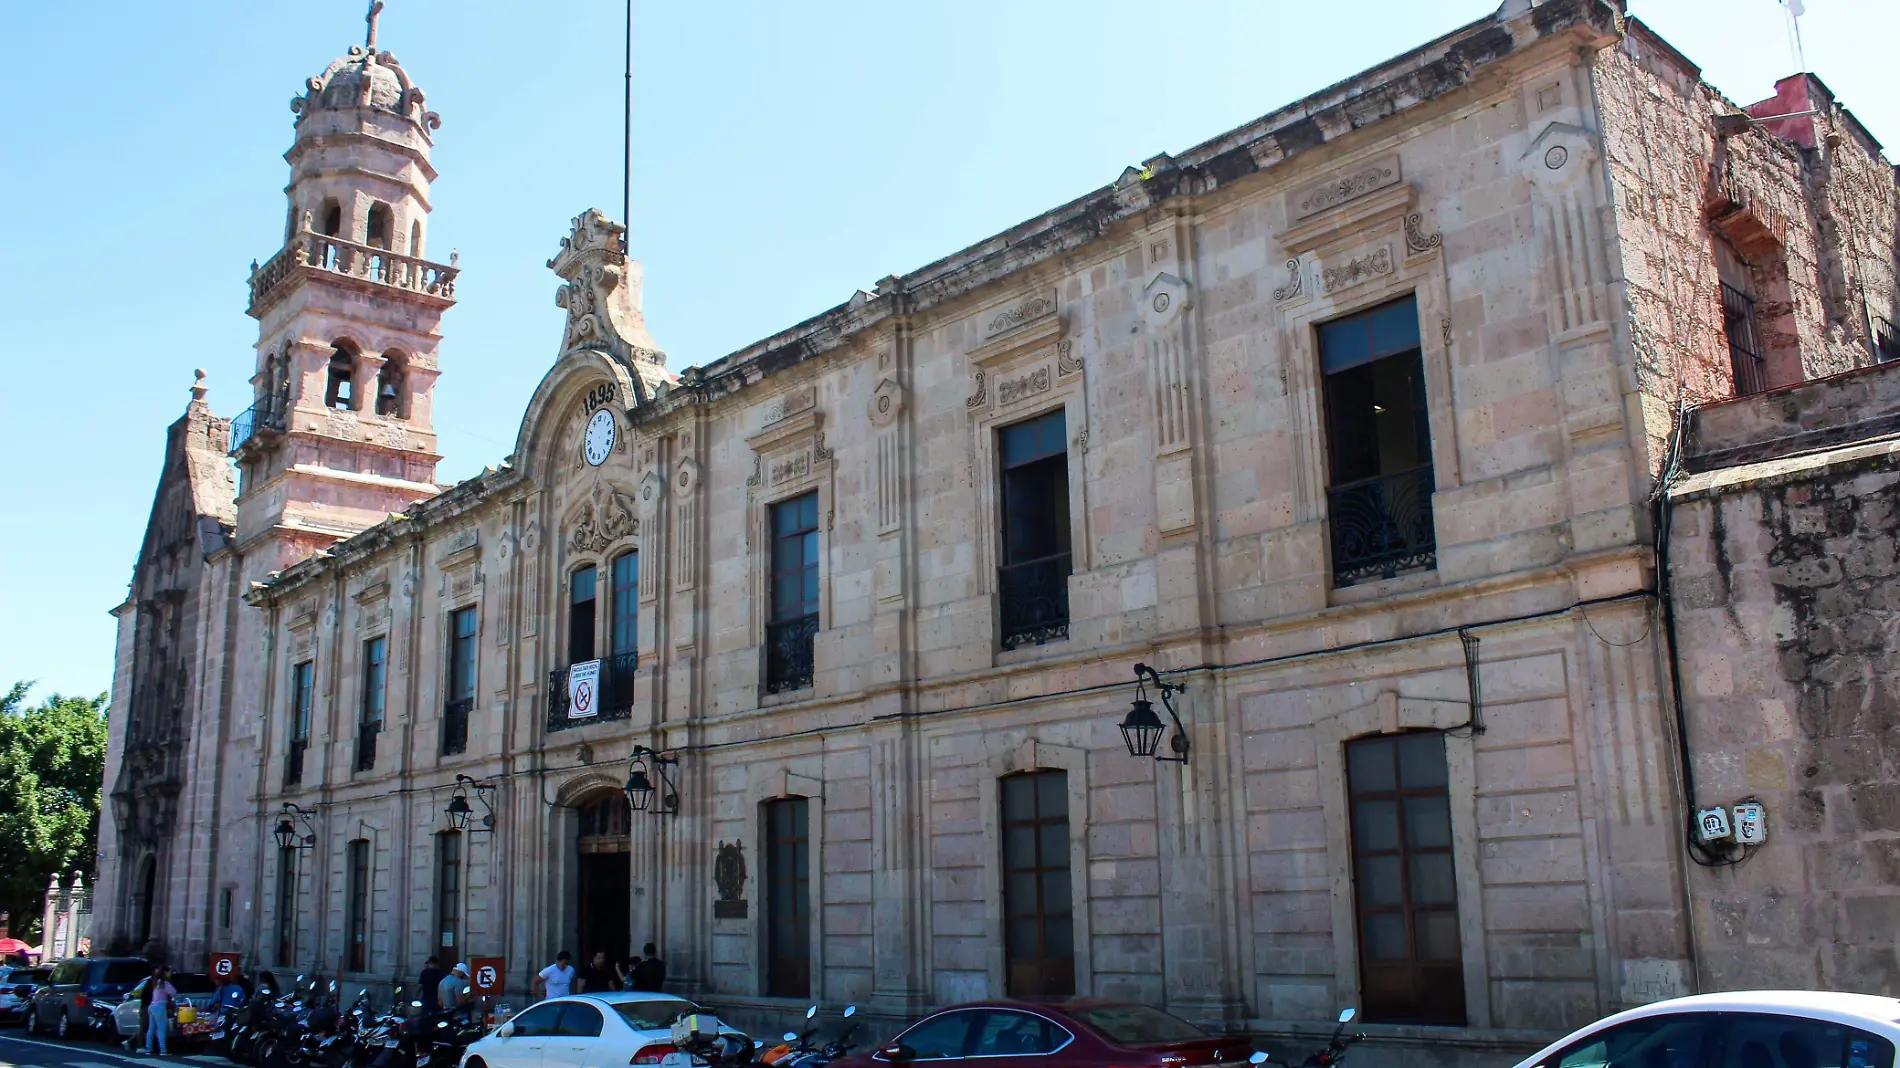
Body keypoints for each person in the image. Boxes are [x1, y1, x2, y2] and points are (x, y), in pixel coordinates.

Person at [145, 965, 177, 1056]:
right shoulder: (165, 983)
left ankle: (148, 1048)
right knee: (162, 1029)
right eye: (169, 972)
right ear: (165, 972)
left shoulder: (156, 982)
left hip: (152, 1005)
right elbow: (173, 992)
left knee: (151, 1029)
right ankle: (163, 1050)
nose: (170, 974)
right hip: (160, 1006)